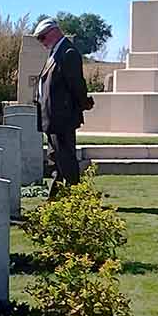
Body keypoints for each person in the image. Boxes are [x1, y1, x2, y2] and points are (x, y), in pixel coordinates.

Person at [32, 16, 92, 192]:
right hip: (51, 118)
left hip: (62, 117)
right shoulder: (55, 53)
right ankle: (56, 199)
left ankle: (75, 197)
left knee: (65, 159)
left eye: (42, 37)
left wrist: (83, 103)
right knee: (56, 159)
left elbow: (76, 85)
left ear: (54, 32)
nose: (41, 42)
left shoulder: (68, 53)